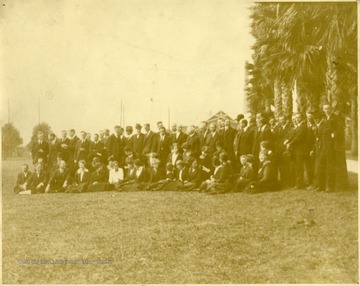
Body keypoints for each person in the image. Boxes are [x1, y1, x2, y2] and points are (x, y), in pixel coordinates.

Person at [285, 113, 307, 189]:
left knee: (299, 167)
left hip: (300, 150)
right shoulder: (296, 127)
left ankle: (299, 184)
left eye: (298, 118)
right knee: (296, 166)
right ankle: (297, 183)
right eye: (296, 118)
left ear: (301, 118)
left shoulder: (303, 127)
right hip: (295, 150)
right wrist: (287, 141)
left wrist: (290, 143)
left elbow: (298, 138)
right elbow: (292, 136)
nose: (297, 119)